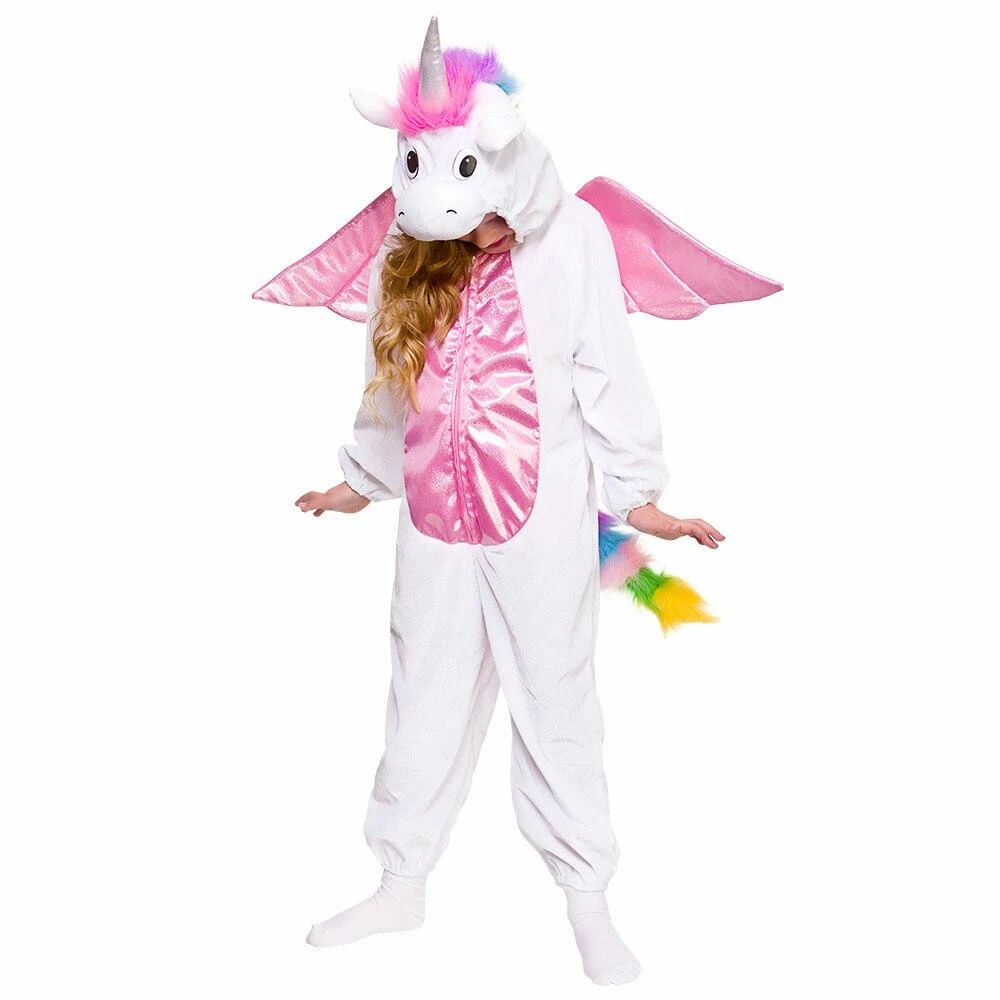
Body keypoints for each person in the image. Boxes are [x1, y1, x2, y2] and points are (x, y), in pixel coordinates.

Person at [257, 18, 777, 985]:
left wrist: (640, 497)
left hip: (542, 518)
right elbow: (388, 379)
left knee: (555, 694)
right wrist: (360, 480)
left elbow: (606, 368)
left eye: (482, 213)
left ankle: (586, 895)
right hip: (435, 525)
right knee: (422, 692)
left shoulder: (571, 237)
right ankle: (400, 882)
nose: (468, 236)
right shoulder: (410, 245)